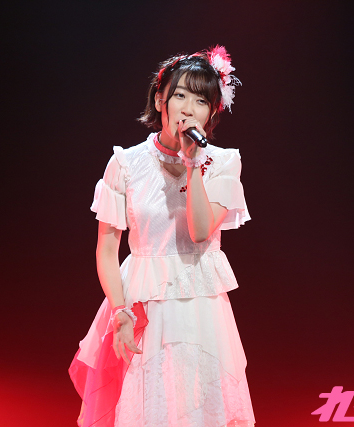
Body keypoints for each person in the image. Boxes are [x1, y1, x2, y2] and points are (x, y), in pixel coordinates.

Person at [69, 45, 255, 427]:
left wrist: (193, 164)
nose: (188, 109)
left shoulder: (223, 163)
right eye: (180, 96)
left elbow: (200, 231)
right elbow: (107, 249)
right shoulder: (126, 163)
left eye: (201, 101)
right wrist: (119, 310)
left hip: (201, 308)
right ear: (160, 101)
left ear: (212, 112)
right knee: (149, 406)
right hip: (143, 307)